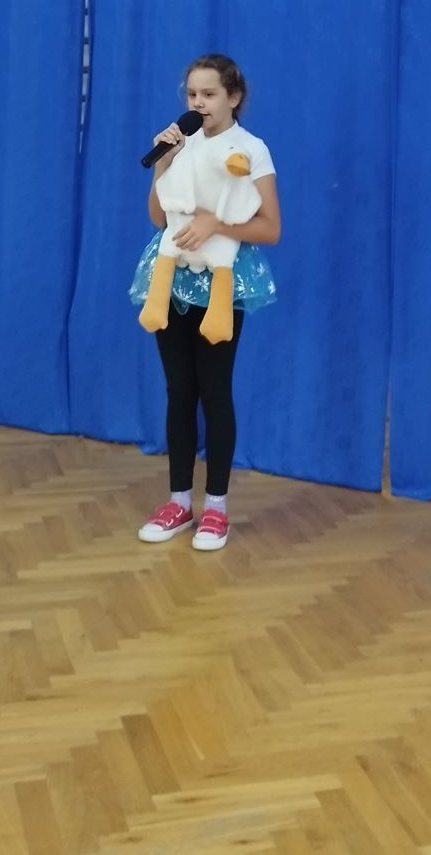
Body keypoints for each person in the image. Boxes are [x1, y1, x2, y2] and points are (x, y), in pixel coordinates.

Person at [127, 54, 281, 550]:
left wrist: (217, 224)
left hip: (220, 280)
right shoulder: (182, 142)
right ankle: (179, 502)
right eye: (192, 94)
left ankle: (216, 507)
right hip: (171, 276)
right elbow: (158, 218)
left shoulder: (251, 149)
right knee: (179, 390)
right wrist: (163, 163)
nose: (199, 103)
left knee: (214, 390)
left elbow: (270, 228)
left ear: (234, 97)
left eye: (209, 94)